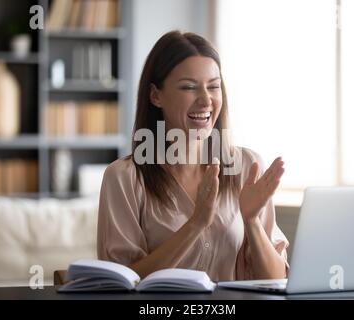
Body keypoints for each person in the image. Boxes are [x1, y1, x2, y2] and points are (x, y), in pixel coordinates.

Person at [97, 30, 289, 281]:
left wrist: (252, 221)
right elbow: (121, 283)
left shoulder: (246, 167)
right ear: (156, 96)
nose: (206, 100)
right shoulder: (124, 178)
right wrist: (196, 224)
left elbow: (276, 280)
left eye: (213, 86)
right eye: (189, 87)